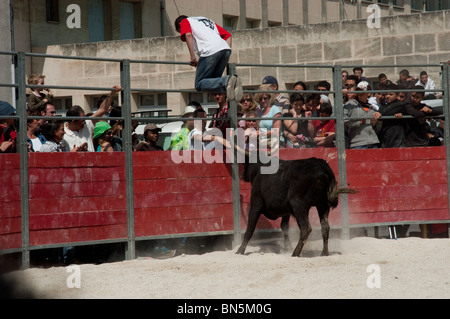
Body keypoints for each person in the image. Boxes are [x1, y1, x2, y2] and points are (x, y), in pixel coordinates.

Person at [174, 15, 242, 102]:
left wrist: (193, 57)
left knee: (199, 84)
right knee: (213, 83)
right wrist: (224, 55)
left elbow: (188, 35)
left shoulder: (185, 21)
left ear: (180, 24)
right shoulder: (206, 21)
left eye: (180, 31)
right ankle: (233, 87)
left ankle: (227, 80)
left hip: (210, 51)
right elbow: (228, 35)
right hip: (225, 49)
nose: (181, 33)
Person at [61, 85, 122, 152]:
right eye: (82, 120)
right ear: (74, 121)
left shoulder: (87, 124)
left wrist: (112, 94)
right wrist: (73, 153)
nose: (85, 122)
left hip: (91, 161)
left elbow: (102, 109)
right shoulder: (62, 133)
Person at [344, 82, 380, 149]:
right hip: (358, 143)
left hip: (373, 142)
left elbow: (376, 126)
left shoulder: (373, 108)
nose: (360, 95)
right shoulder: (350, 104)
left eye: (362, 93)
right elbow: (343, 119)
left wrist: (375, 122)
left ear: (368, 93)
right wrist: (358, 123)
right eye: (358, 92)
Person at [372, 83, 407, 148]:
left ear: (397, 95)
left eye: (391, 94)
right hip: (386, 138)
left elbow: (390, 112)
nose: (387, 96)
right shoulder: (384, 106)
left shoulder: (400, 105)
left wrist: (381, 114)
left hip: (397, 140)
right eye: (386, 94)